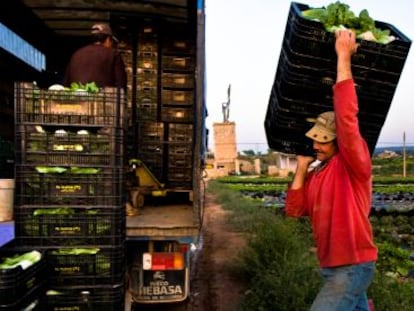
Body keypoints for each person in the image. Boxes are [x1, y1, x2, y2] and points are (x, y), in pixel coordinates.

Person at [284, 29, 378, 311]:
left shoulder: (352, 164)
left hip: (351, 265)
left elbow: (347, 118)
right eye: (315, 140)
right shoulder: (318, 174)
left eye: (324, 140)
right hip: (333, 266)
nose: (316, 146)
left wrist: (343, 56)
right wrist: (301, 168)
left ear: (340, 142)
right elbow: (294, 210)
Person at [63, 23, 127, 89]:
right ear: (108, 39)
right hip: (103, 98)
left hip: (77, 97)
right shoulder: (113, 54)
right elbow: (121, 84)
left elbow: (66, 83)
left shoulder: (76, 54)